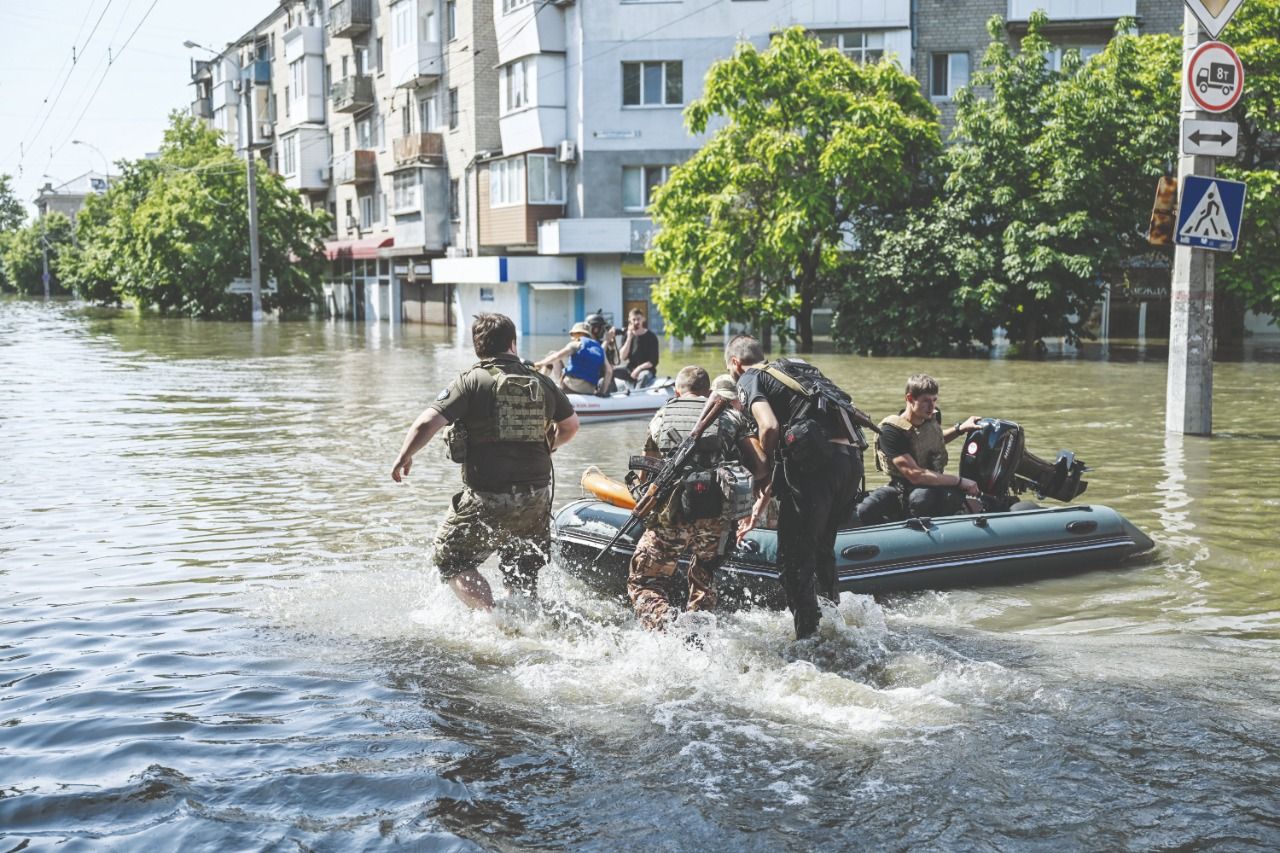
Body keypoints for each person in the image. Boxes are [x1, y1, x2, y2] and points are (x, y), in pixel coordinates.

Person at [390, 313, 580, 610]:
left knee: (451, 558)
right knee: (522, 564)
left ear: (478, 346)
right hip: (536, 497)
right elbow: (571, 426)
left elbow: (427, 422)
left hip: (487, 495)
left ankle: (490, 620)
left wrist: (405, 455)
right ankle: (524, 617)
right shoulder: (541, 382)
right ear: (513, 343)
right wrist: (549, 447)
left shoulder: (471, 382)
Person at [727, 336, 864, 640]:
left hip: (818, 471)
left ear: (735, 364)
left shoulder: (750, 378)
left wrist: (760, 472)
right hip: (851, 464)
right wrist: (761, 503)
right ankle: (835, 628)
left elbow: (770, 427)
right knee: (822, 550)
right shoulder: (797, 370)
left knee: (793, 561)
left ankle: (808, 641)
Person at [628, 366, 766, 631]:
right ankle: (699, 633)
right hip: (715, 515)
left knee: (643, 582)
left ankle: (666, 625)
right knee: (705, 575)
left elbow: (648, 472)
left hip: (670, 514)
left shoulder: (661, 416)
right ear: (709, 391)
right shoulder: (730, 417)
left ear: (677, 390)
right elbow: (760, 466)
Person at [855, 373, 981, 525]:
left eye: (934, 400)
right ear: (909, 399)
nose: (931, 406)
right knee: (866, 510)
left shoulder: (932, 416)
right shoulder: (890, 432)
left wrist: (960, 429)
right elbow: (915, 475)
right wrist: (960, 481)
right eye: (926, 401)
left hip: (933, 483)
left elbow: (932, 442)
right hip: (902, 486)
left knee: (922, 499)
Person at [534, 321, 613, 396]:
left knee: (552, 354)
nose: (572, 337)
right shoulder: (600, 349)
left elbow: (556, 357)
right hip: (589, 391)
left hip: (569, 388)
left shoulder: (575, 345)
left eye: (572, 335)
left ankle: (539, 385)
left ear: (578, 334)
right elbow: (609, 371)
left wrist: (539, 364)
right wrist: (601, 392)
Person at [618, 308, 661, 388]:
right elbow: (622, 357)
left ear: (643, 319)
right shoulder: (627, 335)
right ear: (629, 320)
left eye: (638, 319)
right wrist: (629, 338)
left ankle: (636, 397)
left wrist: (639, 369)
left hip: (646, 370)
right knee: (612, 372)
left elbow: (653, 361)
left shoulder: (651, 336)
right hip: (630, 369)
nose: (636, 322)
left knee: (643, 376)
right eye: (634, 319)